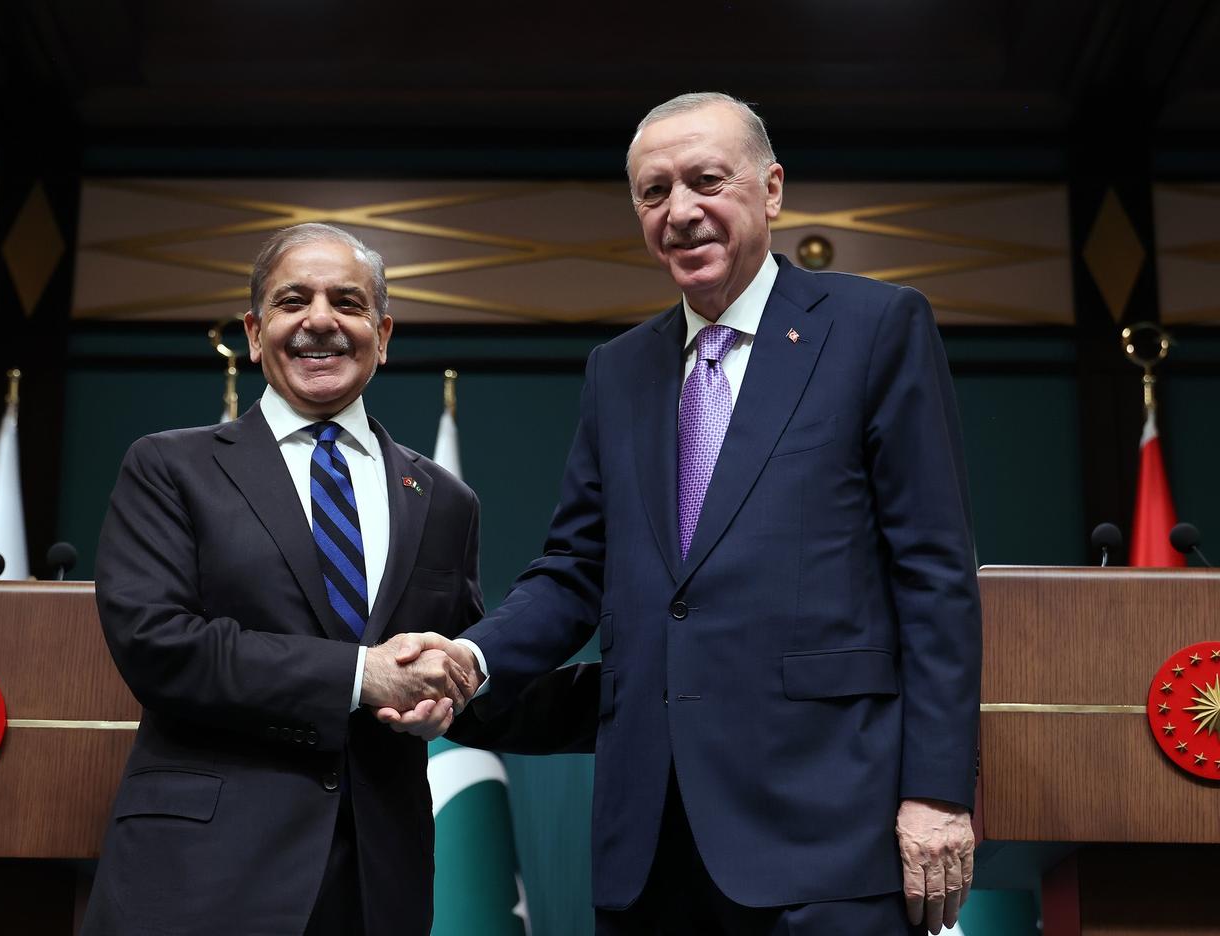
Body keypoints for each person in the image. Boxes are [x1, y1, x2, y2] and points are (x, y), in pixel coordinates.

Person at [388, 93, 982, 935]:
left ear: (771, 190)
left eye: (706, 180)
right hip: (652, 838)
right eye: (654, 192)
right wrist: (471, 660)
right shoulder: (617, 370)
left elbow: (933, 576)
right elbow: (573, 572)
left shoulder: (875, 327)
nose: (681, 211)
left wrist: (936, 794)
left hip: (827, 830)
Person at [83, 222, 593, 936]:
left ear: (381, 335)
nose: (320, 320)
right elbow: (159, 644)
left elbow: (459, 686)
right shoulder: (171, 468)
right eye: (294, 301)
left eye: (347, 303)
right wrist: (359, 675)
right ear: (256, 333)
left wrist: (640, 699)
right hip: (202, 877)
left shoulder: (444, 500)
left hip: (376, 883)